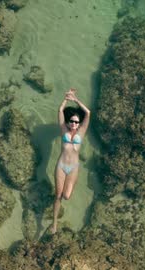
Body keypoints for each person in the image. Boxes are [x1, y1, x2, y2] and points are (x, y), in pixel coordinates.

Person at [51, 88, 91, 234]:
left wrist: (75, 99)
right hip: (61, 165)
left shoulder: (81, 131)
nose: (74, 123)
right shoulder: (64, 130)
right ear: (68, 122)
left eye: (76, 121)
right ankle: (54, 224)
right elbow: (60, 110)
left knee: (66, 196)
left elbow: (88, 113)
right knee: (58, 196)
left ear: (79, 123)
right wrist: (66, 98)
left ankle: (68, 186)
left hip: (73, 167)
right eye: (71, 121)